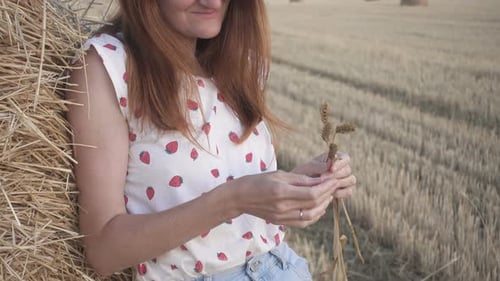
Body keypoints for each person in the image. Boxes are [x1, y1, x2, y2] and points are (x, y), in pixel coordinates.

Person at [66, 1, 356, 280]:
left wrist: (299, 184)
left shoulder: (237, 63)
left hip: (281, 267)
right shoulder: (109, 66)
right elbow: (104, 251)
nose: (212, 1)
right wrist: (235, 199)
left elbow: (238, 202)